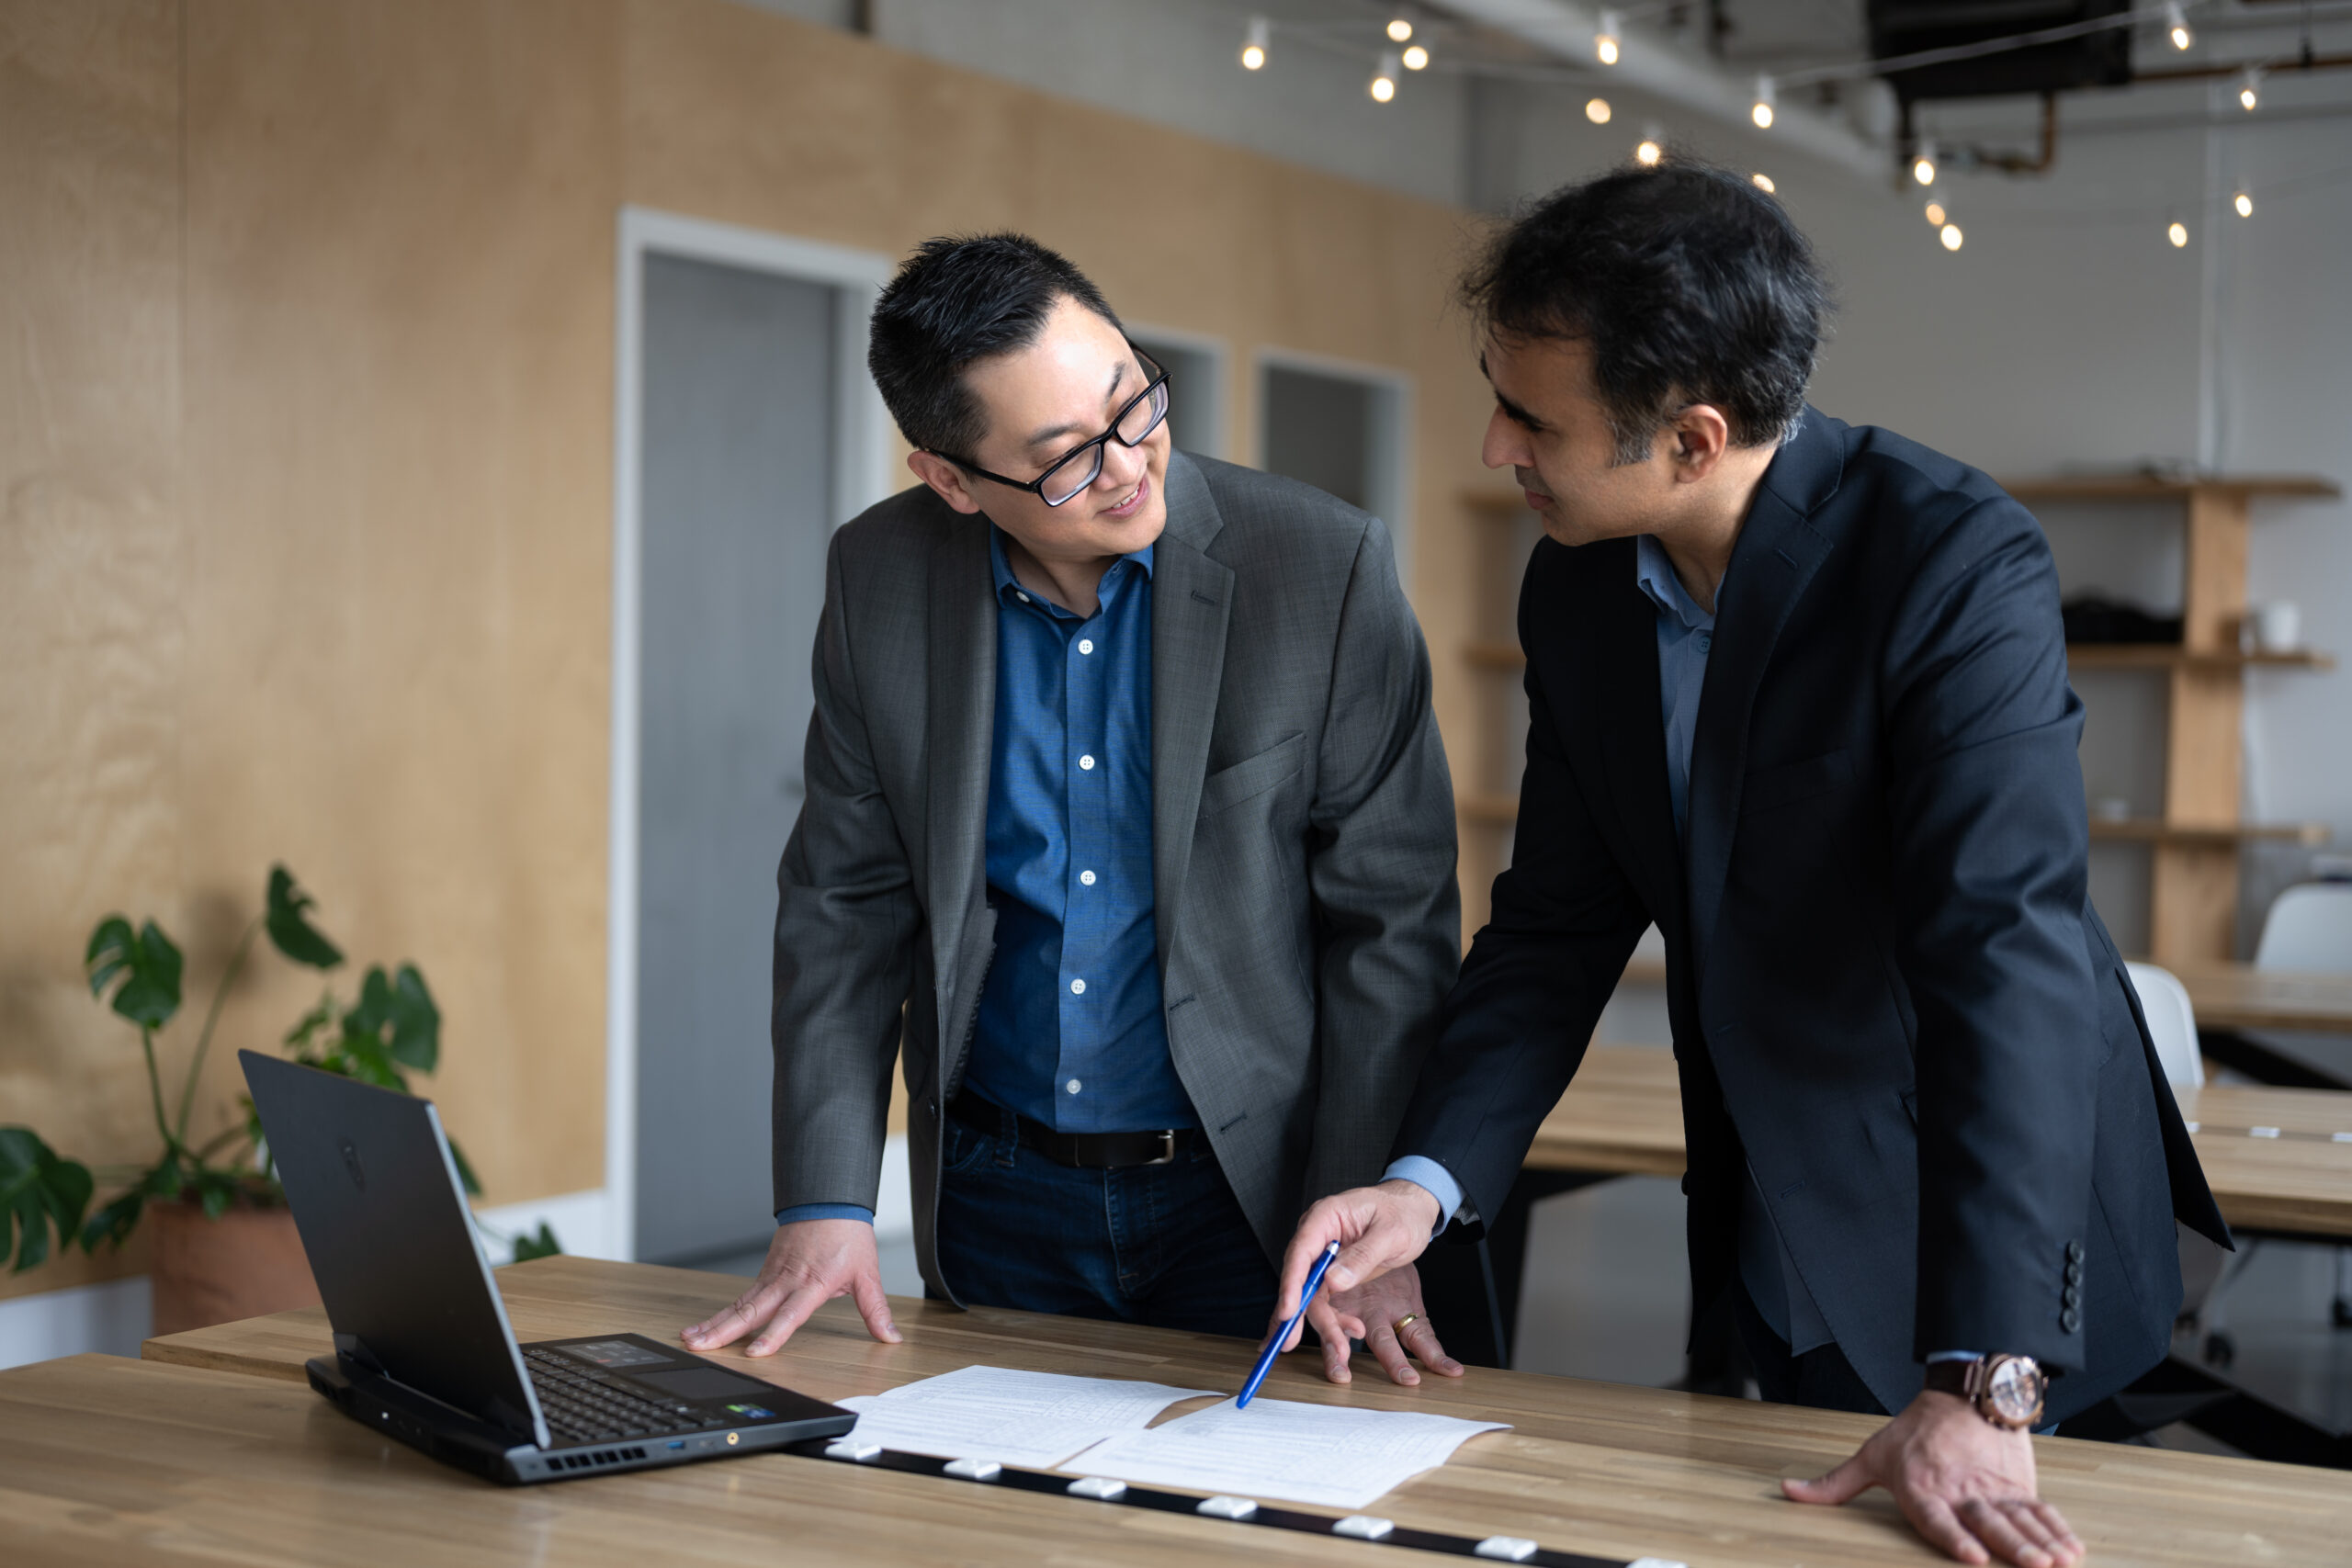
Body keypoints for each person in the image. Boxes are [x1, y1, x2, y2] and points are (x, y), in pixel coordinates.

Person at [1273, 164, 2227, 1568]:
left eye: (1533, 417)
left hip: (1989, 1226)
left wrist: (1986, 1371)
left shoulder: (1950, 560)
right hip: (1762, 1194)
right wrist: (1422, 1177)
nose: (1493, 445)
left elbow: (2002, 959)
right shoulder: (1578, 580)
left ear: (1693, 435)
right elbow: (1555, 924)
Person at [684, 233, 1465, 1390]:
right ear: (949, 481)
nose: (1127, 464)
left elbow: (1391, 930)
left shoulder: (1320, 568)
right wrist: (827, 1195)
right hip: (999, 1190)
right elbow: (844, 905)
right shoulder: (881, 577)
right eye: (1063, 458)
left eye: (1132, 402)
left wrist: (1366, 1214)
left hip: (1254, 1188)